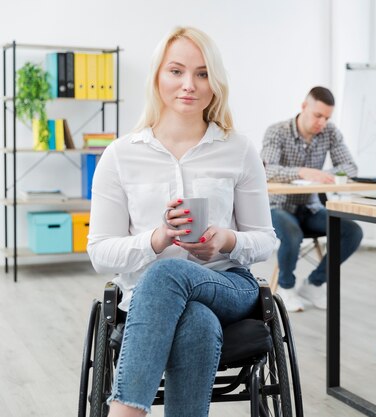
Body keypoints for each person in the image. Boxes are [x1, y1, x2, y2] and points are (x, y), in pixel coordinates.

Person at [87, 26, 276, 417]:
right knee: (195, 321)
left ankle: (125, 411)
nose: (189, 84)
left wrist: (225, 241)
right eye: (176, 71)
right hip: (148, 296)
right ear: (157, 76)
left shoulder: (238, 149)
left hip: (228, 285)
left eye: (203, 73)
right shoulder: (120, 156)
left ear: (215, 82)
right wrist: (154, 240)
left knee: (169, 273)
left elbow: (266, 239)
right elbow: (100, 254)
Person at [260, 87, 363, 312]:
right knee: (291, 232)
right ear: (304, 107)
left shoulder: (330, 132)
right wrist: (301, 172)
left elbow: (350, 167)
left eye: (327, 117)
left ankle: (315, 284)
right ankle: (286, 289)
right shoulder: (277, 132)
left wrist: (325, 174)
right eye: (318, 116)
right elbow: (266, 171)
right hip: (278, 206)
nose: (322, 123)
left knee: (352, 231)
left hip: (311, 207)